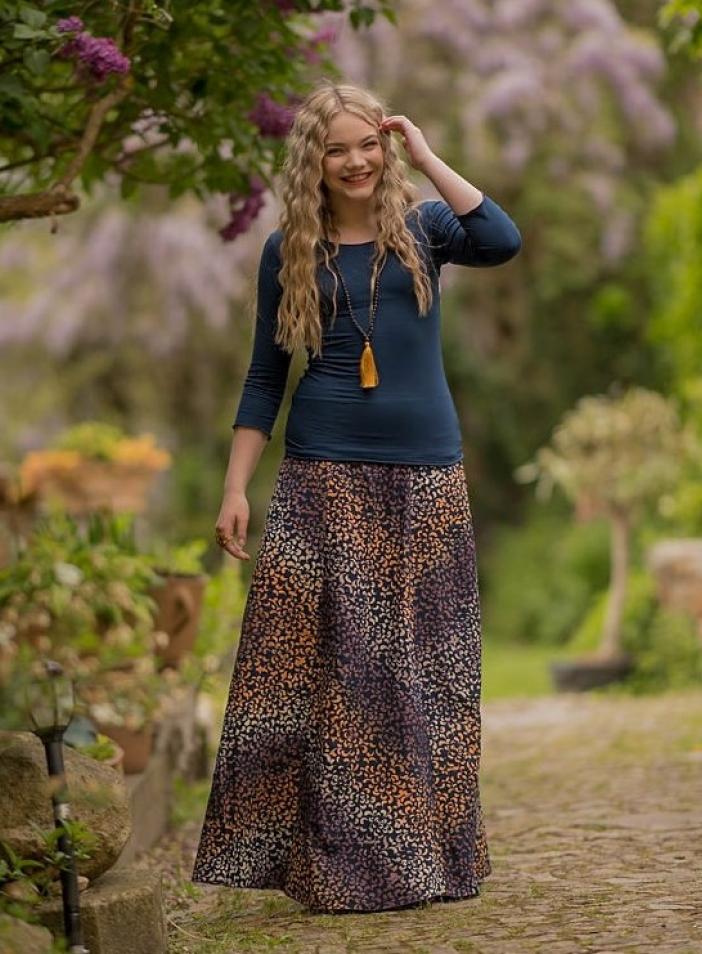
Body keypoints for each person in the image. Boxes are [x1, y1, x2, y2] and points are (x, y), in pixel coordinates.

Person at [192, 80, 522, 916]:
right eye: (336, 149)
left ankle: (426, 857)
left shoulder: (426, 229)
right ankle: (339, 868)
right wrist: (234, 487)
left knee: (431, 669)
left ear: (385, 147)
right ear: (314, 160)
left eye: (368, 145)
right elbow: (265, 377)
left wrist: (425, 152)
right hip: (323, 473)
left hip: (427, 475)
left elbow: (501, 238)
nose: (355, 162)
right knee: (336, 669)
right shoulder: (288, 251)